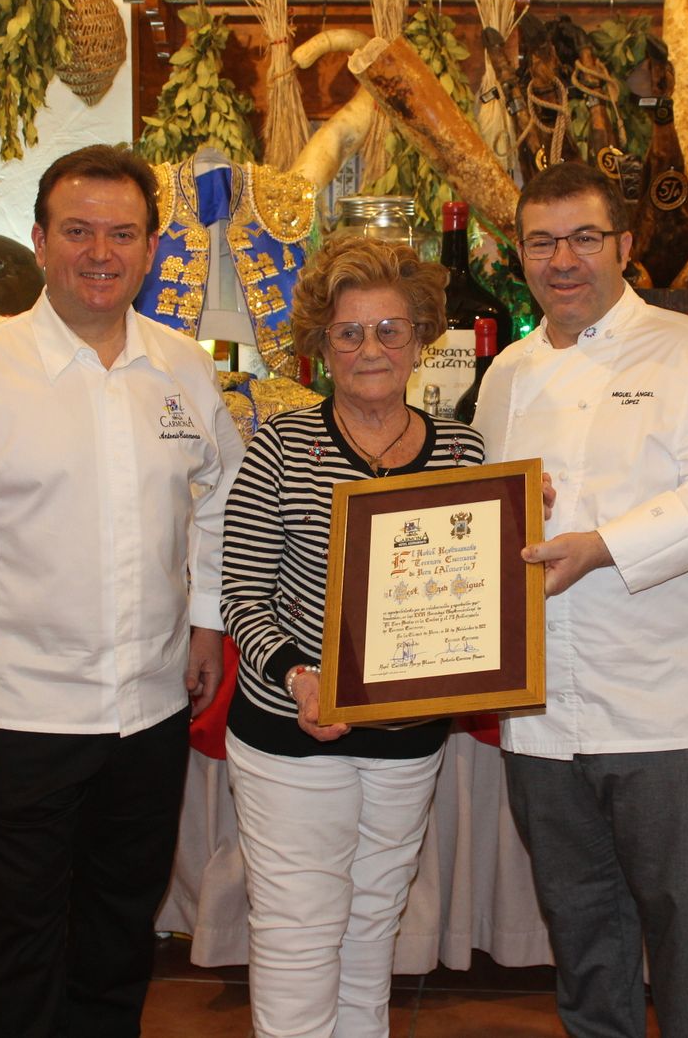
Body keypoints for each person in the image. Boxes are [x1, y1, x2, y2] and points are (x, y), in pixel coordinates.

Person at [0, 144, 244, 1038]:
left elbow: (219, 500)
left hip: (149, 713)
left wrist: (204, 624)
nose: (100, 252)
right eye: (77, 231)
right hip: (17, 720)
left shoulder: (182, 369)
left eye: (122, 233)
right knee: (18, 946)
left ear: (152, 249)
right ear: (39, 241)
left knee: (120, 938)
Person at [472, 159, 688, 1037]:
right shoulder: (507, 376)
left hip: (668, 715)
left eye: (585, 238)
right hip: (542, 717)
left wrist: (601, 547)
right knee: (584, 940)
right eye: (542, 242)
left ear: (625, 247)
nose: (563, 260)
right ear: (518, 254)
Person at [220, 234, 486, 1038]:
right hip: (291, 729)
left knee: (373, 930)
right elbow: (242, 593)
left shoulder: (465, 454)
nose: (370, 349)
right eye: (349, 332)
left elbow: (474, 598)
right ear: (322, 346)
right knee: (301, 936)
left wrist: (520, 522)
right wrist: (302, 676)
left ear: (420, 339)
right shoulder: (278, 448)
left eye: (389, 330)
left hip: (408, 737)